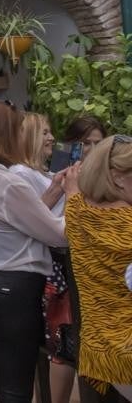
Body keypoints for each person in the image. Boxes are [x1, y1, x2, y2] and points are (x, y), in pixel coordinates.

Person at [0, 100, 75, 403]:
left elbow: (20, 220)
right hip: (12, 290)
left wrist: (54, 190)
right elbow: (59, 235)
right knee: (14, 386)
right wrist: (73, 195)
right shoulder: (9, 183)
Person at [9, 113, 76, 403]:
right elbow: (37, 221)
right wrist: (66, 192)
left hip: (58, 260)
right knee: (58, 342)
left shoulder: (44, 172)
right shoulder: (20, 174)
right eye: (44, 133)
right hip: (50, 263)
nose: (51, 138)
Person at [66, 136, 132, 401]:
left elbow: (73, 196)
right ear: (117, 177)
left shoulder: (76, 211)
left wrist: (72, 185)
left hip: (97, 350)